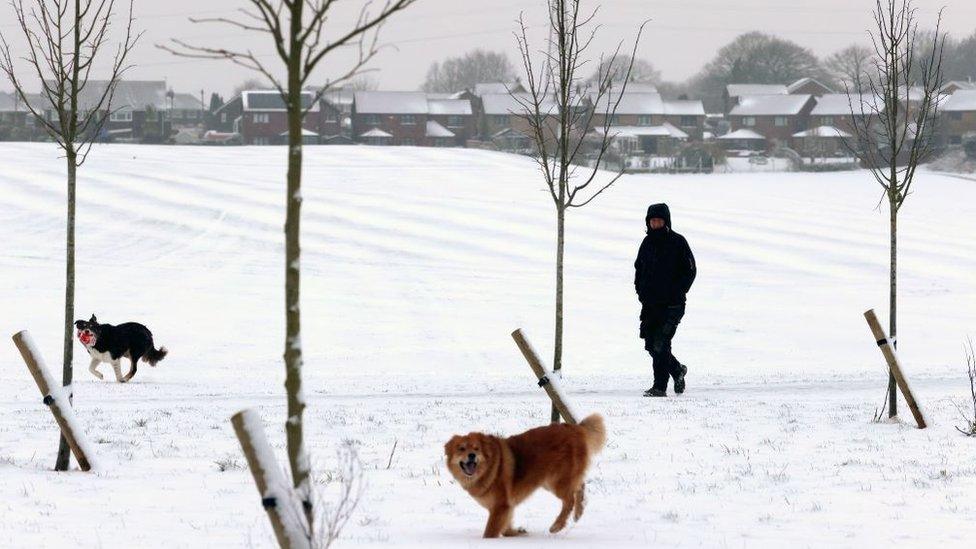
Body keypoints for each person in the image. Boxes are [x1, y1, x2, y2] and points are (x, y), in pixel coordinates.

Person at [634, 203, 696, 397]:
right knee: (652, 345)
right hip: (650, 305)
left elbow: (691, 271)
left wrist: (678, 292)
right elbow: (638, 269)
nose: (656, 223)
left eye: (659, 220)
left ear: (666, 221)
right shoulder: (646, 244)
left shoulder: (678, 242)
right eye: (652, 221)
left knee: (661, 343)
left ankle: (659, 387)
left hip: (672, 305)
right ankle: (677, 370)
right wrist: (640, 291)